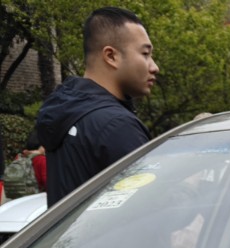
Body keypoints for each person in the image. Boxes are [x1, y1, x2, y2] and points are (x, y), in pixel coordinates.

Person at [35, 7, 159, 206]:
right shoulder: (116, 126)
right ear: (111, 56)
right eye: (145, 54)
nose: (154, 66)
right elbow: (151, 208)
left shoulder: (68, 113)